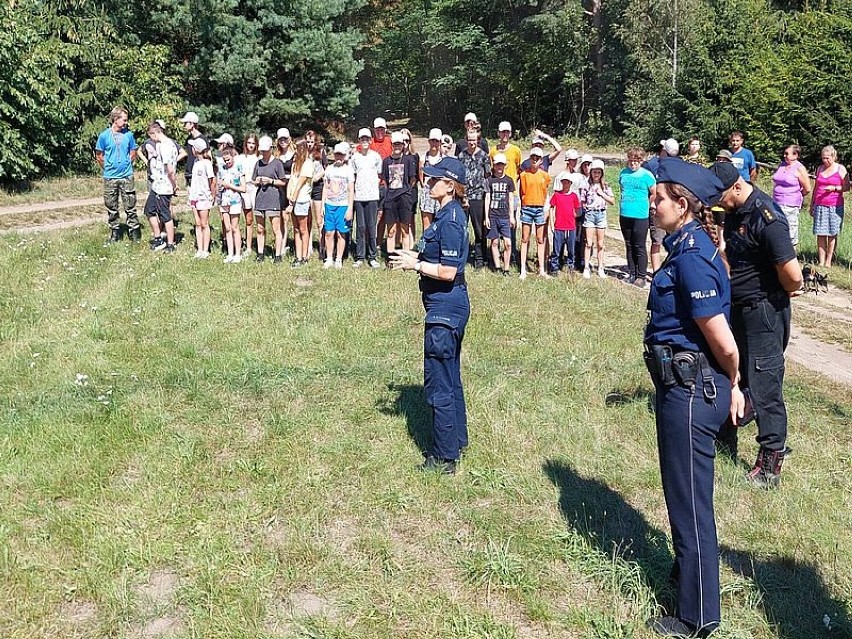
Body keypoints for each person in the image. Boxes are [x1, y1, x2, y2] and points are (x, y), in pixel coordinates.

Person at [643, 158, 743, 639]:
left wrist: (735, 383)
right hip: (684, 385)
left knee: (689, 504)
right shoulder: (689, 245)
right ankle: (688, 578)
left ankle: (697, 617)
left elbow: (722, 340)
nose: (651, 203)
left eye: (658, 197)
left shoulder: (691, 257)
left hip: (690, 389)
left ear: (682, 205)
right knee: (683, 495)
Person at [710, 161, 803, 488]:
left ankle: (770, 464)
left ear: (737, 186)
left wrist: (770, 291)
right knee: (733, 373)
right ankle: (725, 438)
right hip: (738, 308)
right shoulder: (735, 212)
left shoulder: (767, 217)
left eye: (722, 196)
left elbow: (793, 277)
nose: (718, 202)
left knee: (765, 385)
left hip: (764, 311)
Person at [389, 157, 470, 475]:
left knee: (438, 383)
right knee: (451, 379)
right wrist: (415, 255)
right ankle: (457, 441)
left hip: (445, 309)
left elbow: (448, 271)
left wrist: (416, 266)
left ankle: (443, 457)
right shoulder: (447, 214)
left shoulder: (450, 218)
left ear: (450, 185)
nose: (428, 181)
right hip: (448, 307)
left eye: (434, 179)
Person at [94, 106, 140, 243]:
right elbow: (99, 155)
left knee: (130, 205)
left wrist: (127, 164)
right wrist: (107, 167)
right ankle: (115, 232)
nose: (126, 122)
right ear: (115, 119)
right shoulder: (104, 136)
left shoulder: (129, 135)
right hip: (110, 177)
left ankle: (134, 231)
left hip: (126, 176)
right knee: (111, 206)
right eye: (124, 120)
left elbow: (133, 152)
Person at [620, 147, 657, 285]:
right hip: (625, 213)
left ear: (641, 161)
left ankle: (641, 276)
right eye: (631, 161)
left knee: (639, 245)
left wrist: (647, 204)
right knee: (629, 245)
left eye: (636, 161)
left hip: (640, 215)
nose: (633, 164)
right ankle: (632, 272)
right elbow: (622, 189)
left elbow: (654, 192)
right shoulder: (623, 173)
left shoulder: (646, 175)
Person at [809, 145, 848, 267]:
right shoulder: (820, 169)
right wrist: (812, 204)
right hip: (820, 205)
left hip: (834, 206)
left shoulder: (840, 169)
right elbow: (816, 187)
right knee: (820, 233)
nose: (825, 161)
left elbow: (847, 187)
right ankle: (821, 260)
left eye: (827, 158)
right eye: (823, 158)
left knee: (832, 233)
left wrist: (835, 188)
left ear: (833, 157)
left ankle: (829, 261)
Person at [381, 131, 418, 261]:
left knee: (405, 229)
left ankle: (406, 258)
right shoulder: (386, 162)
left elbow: (413, 179)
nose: (397, 146)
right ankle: (391, 257)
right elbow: (385, 180)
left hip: (404, 198)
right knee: (390, 230)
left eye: (400, 144)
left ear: (403, 145)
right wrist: (390, 192)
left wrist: (406, 191)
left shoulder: (409, 160)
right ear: (391, 144)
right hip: (390, 199)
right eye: (395, 144)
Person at [644, 139, 680, 272]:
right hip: (656, 208)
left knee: (674, 240)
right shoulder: (651, 165)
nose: (672, 158)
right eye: (670, 155)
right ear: (663, 150)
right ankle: (656, 272)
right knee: (657, 240)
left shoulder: (677, 164)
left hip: (672, 208)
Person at [142, 121, 178, 253]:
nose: (151, 140)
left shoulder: (166, 146)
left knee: (165, 215)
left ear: (155, 133)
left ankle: (170, 243)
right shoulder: (164, 145)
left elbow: (170, 169)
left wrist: (174, 185)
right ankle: (158, 239)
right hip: (156, 185)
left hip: (164, 186)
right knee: (149, 210)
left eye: (151, 136)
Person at [458, 129, 492, 268]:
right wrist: (462, 195)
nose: (472, 142)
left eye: (474, 140)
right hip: (464, 197)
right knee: (462, 228)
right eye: (469, 140)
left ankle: (480, 257)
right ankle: (462, 255)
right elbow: (458, 176)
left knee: (479, 229)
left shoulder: (484, 156)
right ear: (466, 140)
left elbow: (488, 174)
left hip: (479, 197)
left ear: (478, 140)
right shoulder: (461, 156)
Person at [351, 128, 383, 268]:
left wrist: (373, 186)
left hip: (372, 197)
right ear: (359, 141)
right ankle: (359, 256)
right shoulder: (355, 158)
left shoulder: (376, 156)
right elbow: (353, 176)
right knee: (360, 227)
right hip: (359, 197)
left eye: (367, 139)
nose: (364, 141)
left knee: (371, 226)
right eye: (362, 139)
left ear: (371, 141)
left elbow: (379, 174)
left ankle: (372, 256)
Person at [251, 135, 287, 263]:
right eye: (262, 151)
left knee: (275, 228)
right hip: (260, 198)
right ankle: (260, 253)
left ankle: (278, 255)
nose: (264, 153)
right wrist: (258, 181)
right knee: (260, 228)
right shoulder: (258, 163)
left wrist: (271, 181)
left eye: (265, 151)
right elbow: (253, 179)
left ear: (271, 149)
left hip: (273, 198)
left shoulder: (277, 163)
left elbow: (283, 182)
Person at [518, 147, 552, 279]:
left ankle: (542, 269)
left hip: (539, 209)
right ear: (530, 158)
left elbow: (546, 193)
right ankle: (522, 269)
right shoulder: (524, 175)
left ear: (541, 161)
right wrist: (523, 205)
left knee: (540, 239)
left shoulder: (545, 176)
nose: (535, 160)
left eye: (537, 158)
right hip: (527, 208)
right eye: (533, 157)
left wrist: (546, 209)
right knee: (525, 238)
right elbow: (522, 193)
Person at [322, 142, 355, 268]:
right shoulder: (329, 169)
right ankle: (329, 257)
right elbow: (325, 187)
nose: (339, 157)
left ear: (345, 155)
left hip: (343, 206)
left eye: (341, 155)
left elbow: (351, 190)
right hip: (329, 205)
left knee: (341, 233)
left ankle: (339, 259)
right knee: (329, 233)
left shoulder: (348, 171)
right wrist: (323, 206)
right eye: (337, 155)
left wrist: (350, 209)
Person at [771, 144, 811, 248]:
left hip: (790, 204)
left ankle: (791, 253)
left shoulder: (799, 168)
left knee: (790, 229)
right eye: (784, 153)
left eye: (787, 153)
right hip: (776, 202)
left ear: (795, 155)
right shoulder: (781, 165)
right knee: (776, 227)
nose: (784, 155)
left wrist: (795, 195)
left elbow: (807, 188)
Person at [484, 152, 516, 275]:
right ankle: (497, 267)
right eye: (497, 165)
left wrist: (512, 217)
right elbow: (487, 198)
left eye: (501, 165)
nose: (499, 167)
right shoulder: (489, 180)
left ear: (505, 166)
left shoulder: (509, 180)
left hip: (505, 216)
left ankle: (506, 268)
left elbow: (511, 199)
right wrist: (486, 216)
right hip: (493, 215)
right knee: (494, 242)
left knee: (508, 243)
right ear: (494, 165)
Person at [582, 160, 615, 279]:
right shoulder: (586, 184)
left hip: (601, 214)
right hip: (590, 214)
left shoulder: (605, 186)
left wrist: (602, 194)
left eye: (598, 172)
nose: (596, 174)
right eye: (594, 172)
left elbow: (612, 201)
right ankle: (586, 267)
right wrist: (585, 206)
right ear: (591, 173)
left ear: (602, 173)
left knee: (601, 244)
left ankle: (600, 267)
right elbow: (582, 200)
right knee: (588, 243)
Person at [286, 139, 315, 267]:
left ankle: (304, 256)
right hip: (293, 198)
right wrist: (289, 195)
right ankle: (298, 256)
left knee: (303, 229)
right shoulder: (295, 164)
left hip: (301, 200)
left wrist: (292, 202)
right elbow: (292, 180)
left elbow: (300, 184)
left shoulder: (308, 163)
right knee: (296, 229)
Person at [187, 138, 216, 258]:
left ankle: (205, 249)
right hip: (194, 197)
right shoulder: (195, 163)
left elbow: (212, 181)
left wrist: (212, 195)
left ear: (196, 149)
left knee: (204, 223)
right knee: (197, 224)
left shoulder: (207, 163)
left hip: (204, 197)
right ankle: (199, 249)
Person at [547, 173, 581, 274]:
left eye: (568, 182)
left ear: (570, 183)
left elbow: (578, 210)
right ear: (561, 183)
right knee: (556, 250)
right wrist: (552, 223)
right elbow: (551, 208)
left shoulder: (574, 196)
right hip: (559, 227)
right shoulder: (557, 195)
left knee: (571, 250)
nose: (566, 184)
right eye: (564, 182)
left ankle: (570, 267)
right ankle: (554, 268)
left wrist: (573, 214)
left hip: (571, 227)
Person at [217, 144, 246, 263]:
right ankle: (230, 253)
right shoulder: (222, 169)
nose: (226, 162)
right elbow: (220, 184)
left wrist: (230, 186)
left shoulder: (239, 168)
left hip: (235, 201)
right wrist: (220, 187)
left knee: (234, 227)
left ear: (233, 156)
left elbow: (243, 188)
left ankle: (237, 254)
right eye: (224, 160)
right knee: (227, 227)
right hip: (224, 201)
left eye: (228, 159)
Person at [305, 130, 328, 260]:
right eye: (307, 141)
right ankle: (307, 247)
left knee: (320, 220)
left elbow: (327, 168)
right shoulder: (303, 153)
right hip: (306, 188)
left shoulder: (321, 152)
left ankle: (322, 247)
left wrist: (319, 175)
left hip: (318, 187)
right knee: (307, 220)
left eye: (312, 142)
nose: (309, 144)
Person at [237, 133, 260, 254]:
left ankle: (260, 245)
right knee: (248, 219)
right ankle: (249, 246)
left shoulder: (259, 158)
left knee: (259, 218)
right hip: (245, 189)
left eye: (253, 143)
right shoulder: (240, 158)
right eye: (249, 143)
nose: (251, 145)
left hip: (256, 189)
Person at [420, 128, 446, 229]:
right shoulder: (423, 159)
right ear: (429, 141)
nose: (434, 143)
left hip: (441, 194)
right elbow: (421, 178)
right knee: (427, 226)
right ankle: (427, 244)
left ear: (440, 142)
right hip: (428, 194)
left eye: (437, 141)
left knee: (440, 225)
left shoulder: (445, 159)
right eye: (432, 141)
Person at [177, 111, 206, 190]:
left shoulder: (202, 139)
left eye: (186, 123)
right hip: (189, 174)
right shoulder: (189, 139)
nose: (184, 125)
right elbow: (186, 153)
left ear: (192, 124)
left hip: (198, 175)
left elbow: (208, 157)